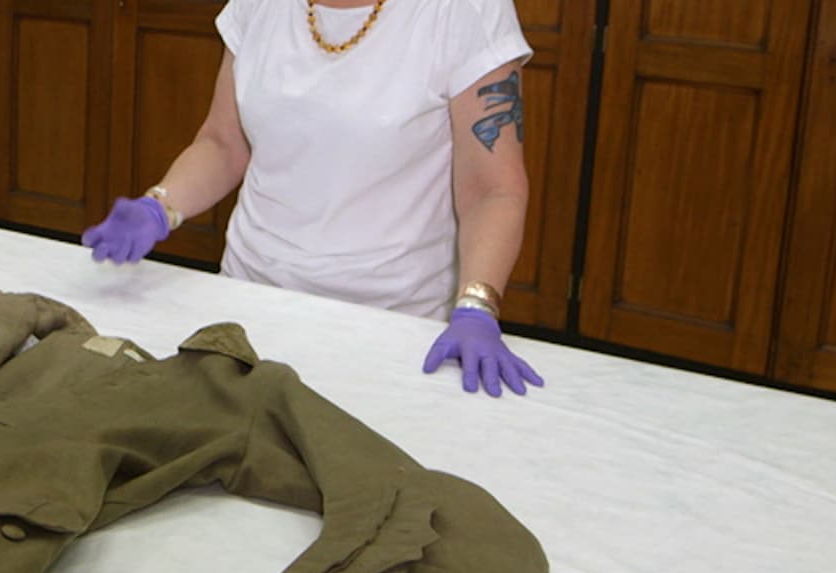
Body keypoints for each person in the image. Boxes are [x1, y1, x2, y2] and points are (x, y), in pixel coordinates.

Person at [80, 0, 545, 397]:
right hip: (247, 305)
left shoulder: (464, 11)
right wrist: (160, 206)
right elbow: (224, 143)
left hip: (392, 325)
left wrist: (477, 305)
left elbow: (493, 189)